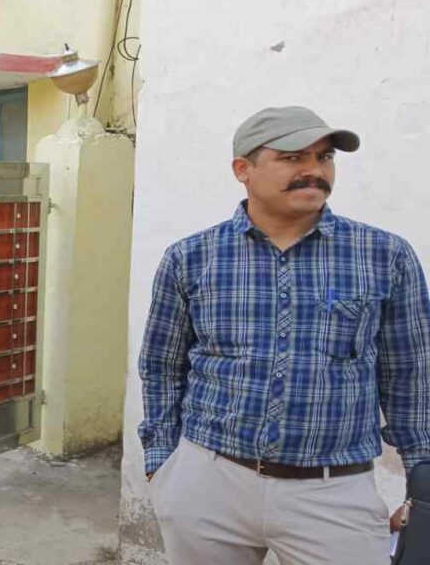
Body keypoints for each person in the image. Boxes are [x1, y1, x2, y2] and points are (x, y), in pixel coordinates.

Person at [139, 106, 430, 564]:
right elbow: (161, 365)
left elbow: (411, 375)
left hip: (334, 492)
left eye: (324, 157)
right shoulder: (191, 258)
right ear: (243, 169)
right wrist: (162, 463)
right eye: (293, 157)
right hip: (208, 481)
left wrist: (423, 484)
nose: (314, 170)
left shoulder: (384, 256)